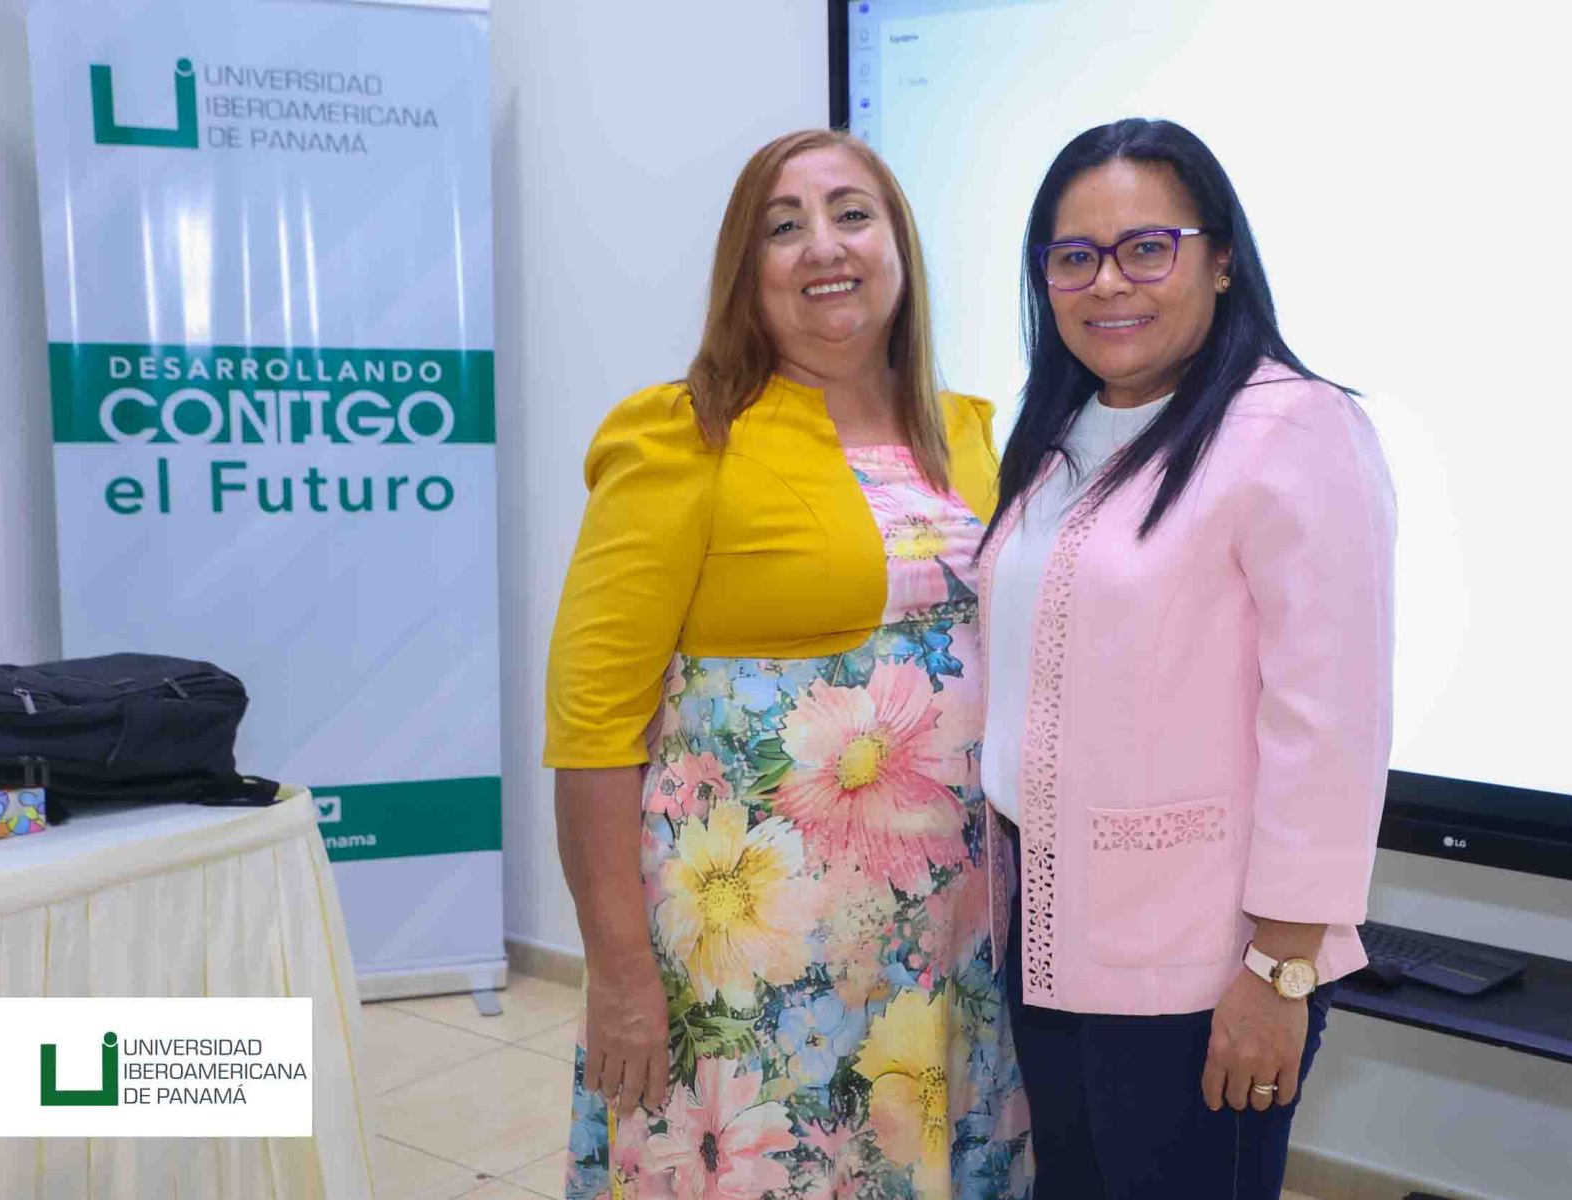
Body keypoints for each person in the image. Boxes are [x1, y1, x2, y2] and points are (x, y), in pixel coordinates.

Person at [544, 128, 1031, 1200]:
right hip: (756, 956)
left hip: (948, 946)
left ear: (898, 244)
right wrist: (619, 973)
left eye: (852, 213)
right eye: (783, 225)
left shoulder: (970, 435)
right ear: (746, 270)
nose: (824, 245)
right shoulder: (682, 435)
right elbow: (591, 733)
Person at [978, 117, 1396, 1199]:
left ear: (1220, 260)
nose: (1109, 283)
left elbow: (1329, 724)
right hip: (1050, 932)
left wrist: (1279, 969)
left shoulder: (1292, 429)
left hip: (1203, 964)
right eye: (1075, 257)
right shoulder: (1060, 436)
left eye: (1147, 248)